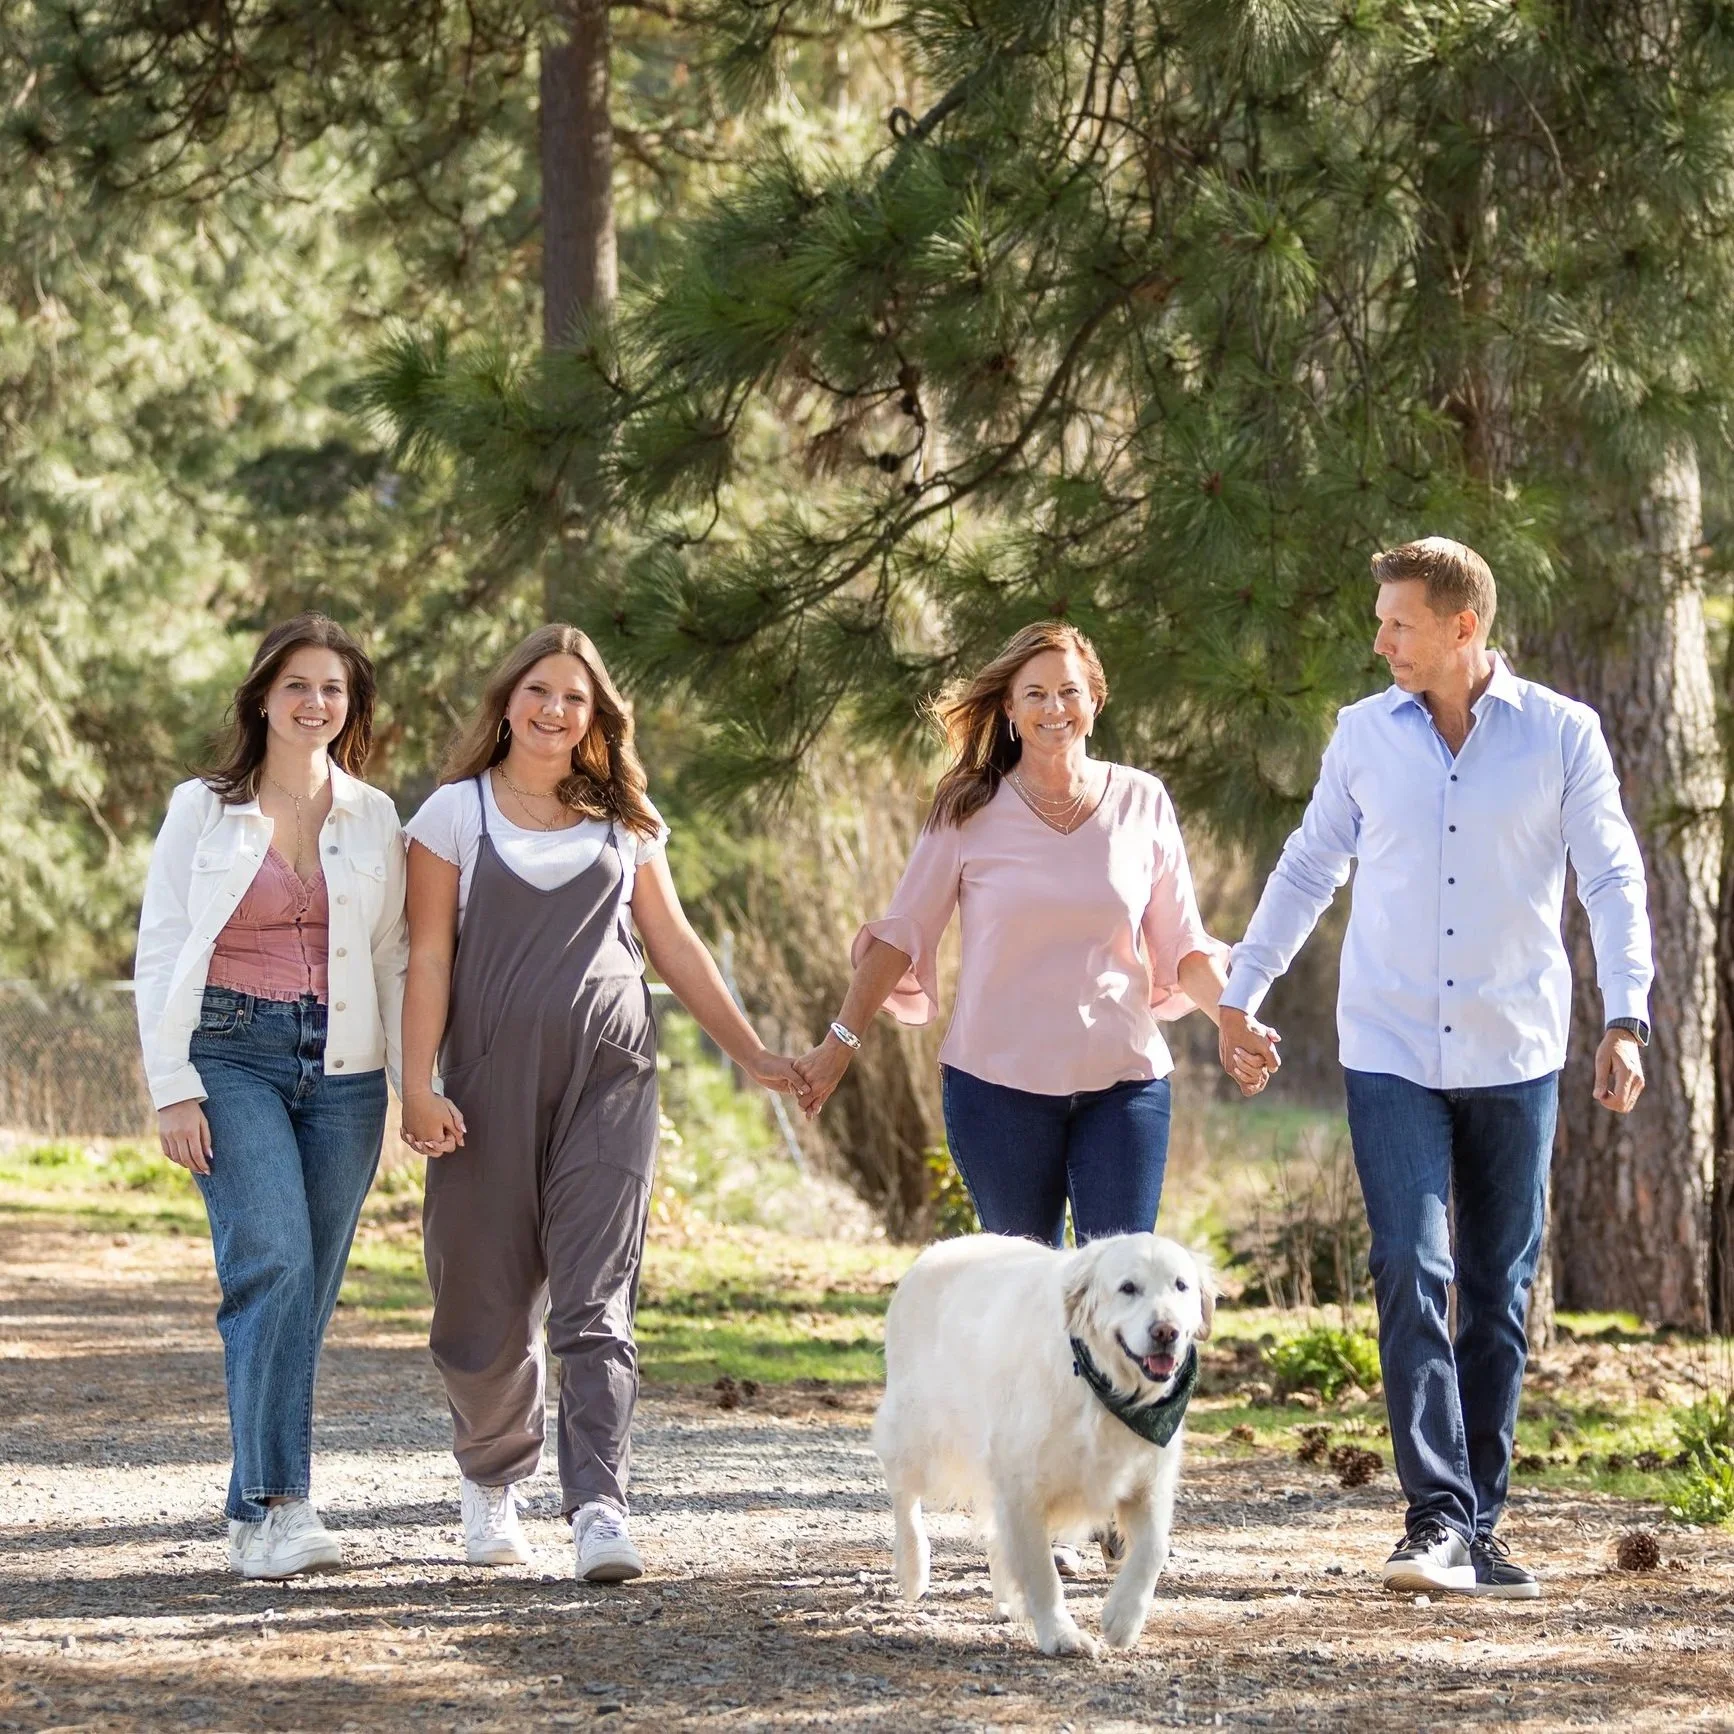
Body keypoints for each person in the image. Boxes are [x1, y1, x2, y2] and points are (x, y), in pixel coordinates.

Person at [1217, 537, 1652, 1601]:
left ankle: (1481, 1525)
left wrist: (1626, 1015)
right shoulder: (1365, 733)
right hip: (1392, 1046)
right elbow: (1312, 861)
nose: (1381, 641)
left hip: (1515, 1050)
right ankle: (1435, 1520)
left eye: (1399, 623)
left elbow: (1610, 878)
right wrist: (1243, 989)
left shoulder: (1562, 734)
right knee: (1411, 1264)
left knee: (1497, 1290)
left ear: (1465, 628)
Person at [399, 624, 810, 1584]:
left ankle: (599, 1507)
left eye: (574, 697)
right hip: (486, 1088)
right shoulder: (454, 815)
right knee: (481, 1309)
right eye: (538, 689)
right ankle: (494, 1477)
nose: (553, 709)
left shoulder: (625, 817)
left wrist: (750, 1052)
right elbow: (427, 956)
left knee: (597, 1299)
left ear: (596, 718)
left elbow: (675, 946)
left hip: (610, 1080)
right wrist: (417, 1086)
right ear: (507, 701)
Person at [795, 620, 1268, 1252]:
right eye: (1036, 693)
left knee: (1123, 1285)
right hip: (997, 1093)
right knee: (1027, 1290)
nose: (1054, 708)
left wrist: (1233, 1020)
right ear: (1011, 709)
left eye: (1069, 691)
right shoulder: (966, 806)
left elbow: (1183, 946)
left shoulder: (1142, 800)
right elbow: (901, 935)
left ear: (1095, 704)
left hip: (1123, 1085)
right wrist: (839, 1043)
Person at [134, 614, 407, 1580]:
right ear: (262, 697)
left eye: (333, 689)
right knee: (274, 1260)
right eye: (297, 685)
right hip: (230, 1051)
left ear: (351, 706)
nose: (315, 703)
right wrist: (172, 1088)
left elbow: (393, 957)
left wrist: (418, 1084)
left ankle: (252, 1510)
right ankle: (279, 1506)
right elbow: (164, 943)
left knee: (309, 1288)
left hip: (345, 1068)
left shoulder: (374, 816)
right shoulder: (202, 808)